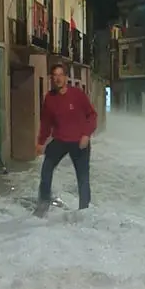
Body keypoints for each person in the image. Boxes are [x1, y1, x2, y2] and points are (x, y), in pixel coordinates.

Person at [35, 64, 97, 215]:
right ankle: (43, 204)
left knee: (82, 177)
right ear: (51, 78)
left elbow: (92, 115)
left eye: (60, 75)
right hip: (60, 140)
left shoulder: (77, 94)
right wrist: (41, 142)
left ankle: (84, 210)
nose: (57, 78)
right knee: (46, 169)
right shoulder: (49, 98)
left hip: (79, 141)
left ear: (66, 78)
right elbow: (46, 123)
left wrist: (86, 134)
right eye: (54, 76)